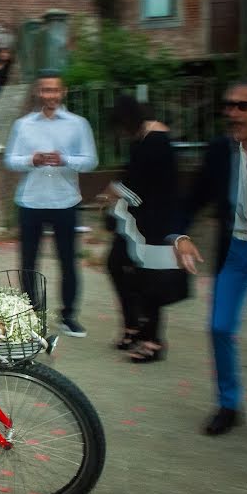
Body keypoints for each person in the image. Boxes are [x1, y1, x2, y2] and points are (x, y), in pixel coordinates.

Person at [173, 78, 247, 436]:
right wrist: (179, 236)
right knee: (219, 326)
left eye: (243, 106)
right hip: (236, 252)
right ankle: (229, 404)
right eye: (229, 105)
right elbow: (192, 198)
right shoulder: (219, 151)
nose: (233, 112)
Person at [5, 71, 97, 338]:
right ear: (37, 92)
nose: (50, 95)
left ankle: (69, 316)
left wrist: (65, 159)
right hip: (30, 200)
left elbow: (90, 160)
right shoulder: (23, 125)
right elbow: (10, 159)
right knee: (28, 263)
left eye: (55, 90)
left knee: (68, 261)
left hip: (65, 200)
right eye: (45, 90)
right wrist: (30, 160)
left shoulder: (78, 124)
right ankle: (31, 317)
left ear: (63, 92)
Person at [103, 96, 181, 362]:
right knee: (119, 265)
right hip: (136, 223)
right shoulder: (144, 139)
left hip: (152, 224)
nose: (122, 134)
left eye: (121, 127)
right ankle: (135, 327)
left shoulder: (155, 143)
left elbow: (141, 190)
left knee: (149, 278)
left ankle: (152, 340)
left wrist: (115, 193)